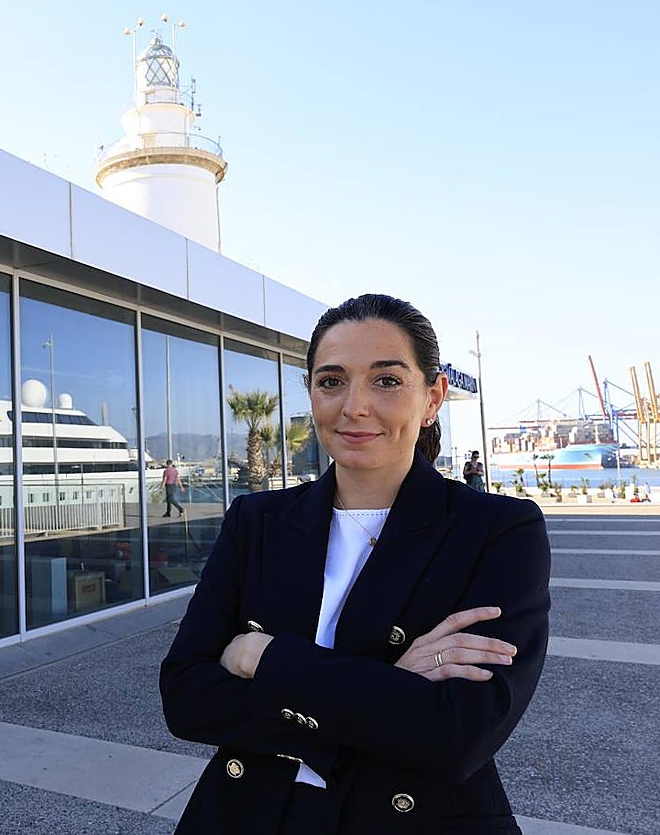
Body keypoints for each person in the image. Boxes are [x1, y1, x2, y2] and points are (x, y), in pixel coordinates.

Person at [160, 294, 551, 834]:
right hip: (246, 812)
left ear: (433, 396)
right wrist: (388, 686)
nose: (354, 406)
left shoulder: (497, 530)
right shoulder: (257, 520)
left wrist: (265, 657)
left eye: (387, 381)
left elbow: (461, 734)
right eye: (331, 381)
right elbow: (186, 699)